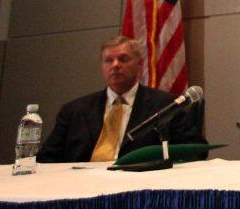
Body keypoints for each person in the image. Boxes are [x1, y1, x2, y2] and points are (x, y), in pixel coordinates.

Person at [38, 36, 204, 163]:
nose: (115, 65)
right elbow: (46, 158)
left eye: (123, 59)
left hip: (141, 189)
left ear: (140, 65)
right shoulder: (74, 110)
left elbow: (196, 151)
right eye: (108, 60)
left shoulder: (167, 105)